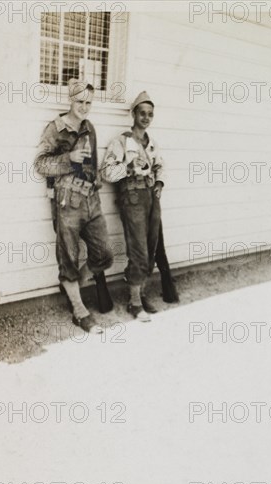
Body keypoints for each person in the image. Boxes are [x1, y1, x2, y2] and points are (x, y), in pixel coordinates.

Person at [34, 79, 114, 333]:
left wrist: (98, 181)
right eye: (80, 101)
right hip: (67, 200)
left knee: (104, 254)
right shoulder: (55, 128)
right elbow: (40, 164)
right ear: (71, 100)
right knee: (68, 257)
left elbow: (94, 165)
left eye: (89, 102)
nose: (84, 107)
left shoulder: (89, 127)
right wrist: (68, 158)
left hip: (91, 199)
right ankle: (79, 311)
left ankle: (71, 286)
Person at [102, 91, 165, 321]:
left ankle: (141, 292)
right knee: (138, 248)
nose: (146, 117)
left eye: (150, 114)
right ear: (133, 114)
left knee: (151, 245)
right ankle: (134, 302)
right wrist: (128, 167)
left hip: (150, 197)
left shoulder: (152, 143)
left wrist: (159, 183)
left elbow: (160, 166)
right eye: (142, 113)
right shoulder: (121, 141)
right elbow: (107, 172)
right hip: (132, 198)